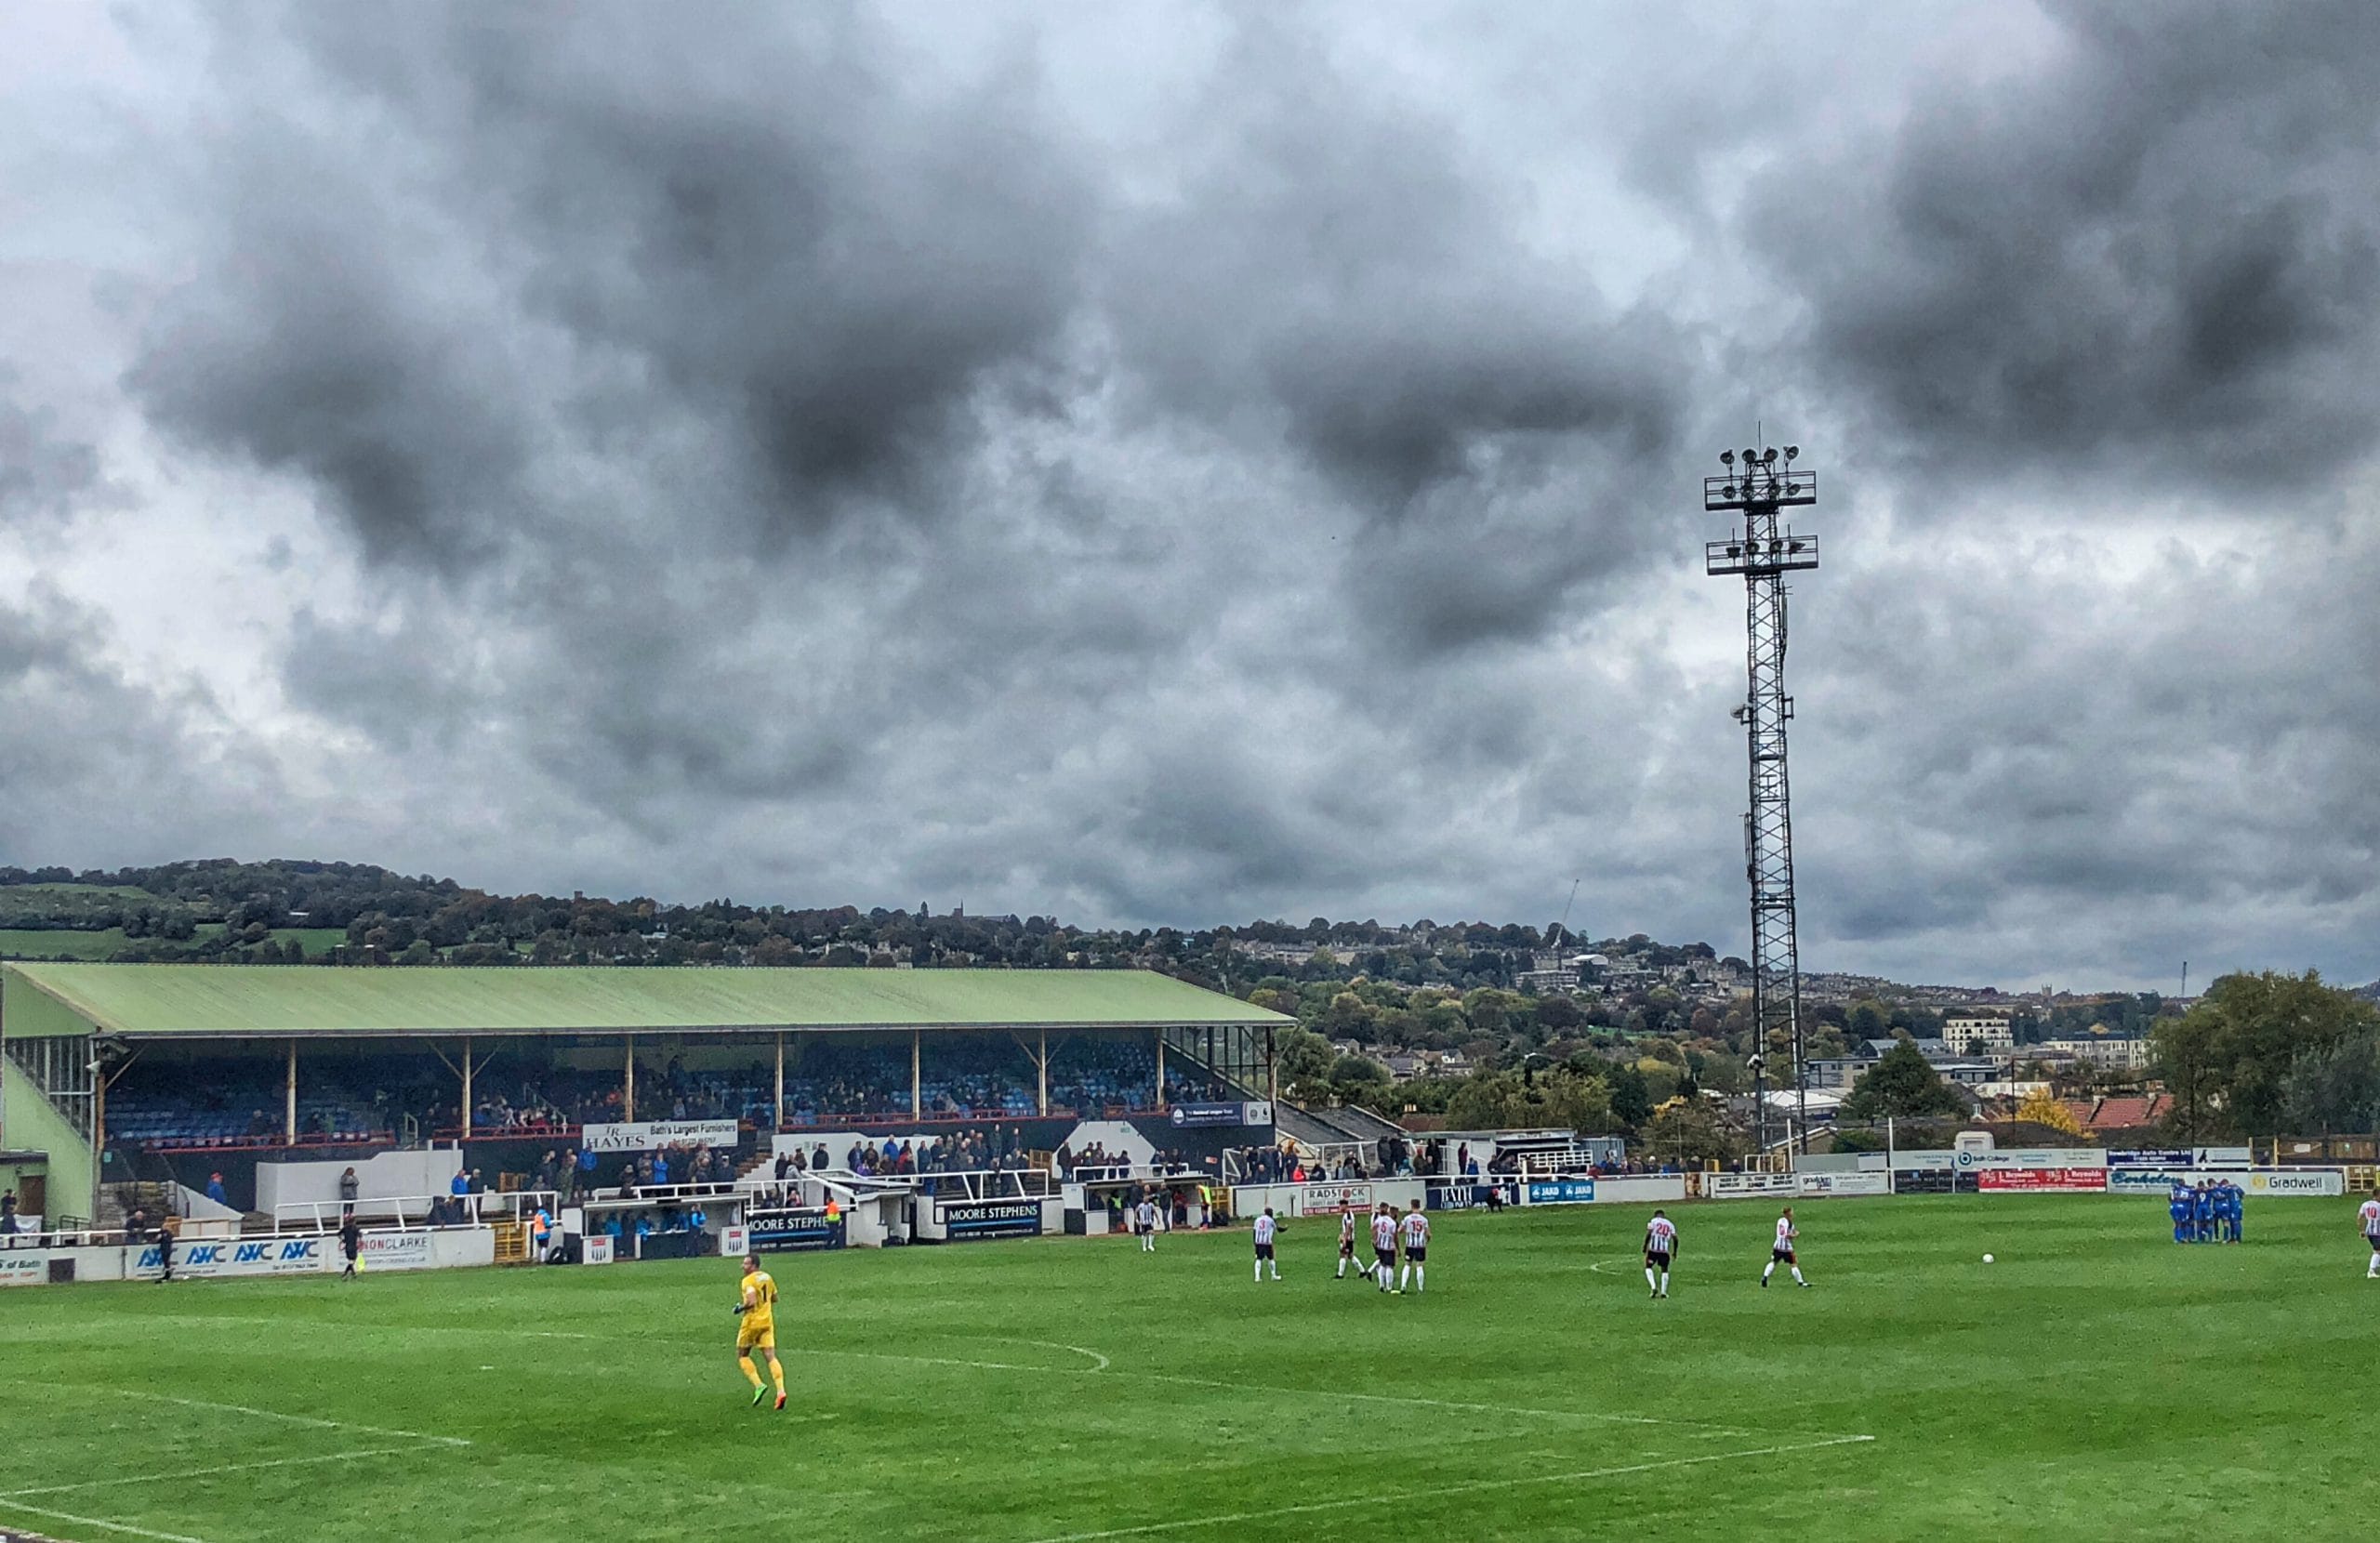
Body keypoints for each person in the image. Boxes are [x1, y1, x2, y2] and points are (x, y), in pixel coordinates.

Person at [733, 1255, 788, 1411]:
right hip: (767, 1322)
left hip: (752, 1322)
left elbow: (751, 1301)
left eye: (746, 1264)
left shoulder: (748, 1281)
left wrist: (740, 1308)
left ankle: (759, 1385)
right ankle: (781, 1391)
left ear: (754, 1265)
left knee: (742, 1355)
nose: (743, 1266)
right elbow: (775, 1298)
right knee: (771, 1357)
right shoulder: (767, 1277)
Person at [1761, 1207, 1807, 1287]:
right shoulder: (1789, 1223)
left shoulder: (1780, 1220)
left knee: (1773, 1262)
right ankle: (1801, 1282)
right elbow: (1787, 1236)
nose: (1792, 1213)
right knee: (1793, 1264)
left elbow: (1783, 1232)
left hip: (1777, 1246)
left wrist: (1793, 1232)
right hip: (1786, 1248)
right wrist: (1795, 1235)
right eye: (1791, 1212)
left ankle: (1765, 1277)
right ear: (1788, 1213)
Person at [1645, 1209, 1678, 1299]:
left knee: (1648, 1267)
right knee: (1664, 1270)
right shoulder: (1670, 1224)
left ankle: (1653, 1287)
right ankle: (1663, 1292)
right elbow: (1675, 1238)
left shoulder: (1653, 1221)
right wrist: (1675, 1251)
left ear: (1656, 1215)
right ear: (1663, 1215)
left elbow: (1649, 1233)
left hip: (1653, 1250)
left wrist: (1645, 1245)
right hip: (1664, 1250)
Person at [1397, 1201, 1430, 1294]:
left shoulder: (1407, 1218)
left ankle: (1403, 1286)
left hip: (1410, 1245)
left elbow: (1399, 1230)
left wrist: (1407, 1231)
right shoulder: (1424, 1220)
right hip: (1420, 1245)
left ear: (1411, 1206)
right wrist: (1427, 1240)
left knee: (1407, 1264)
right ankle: (1420, 1288)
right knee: (1419, 1266)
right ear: (1419, 1206)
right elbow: (1428, 1234)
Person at [1369, 1204, 1398, 1293]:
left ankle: (1381, 1285)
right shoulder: (1392, 1223)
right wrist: (1397, 1247)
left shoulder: (1380, 1219)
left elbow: (1372, 1228)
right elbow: (1395, 1236)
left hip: (1380, 1245)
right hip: (1389, 1246)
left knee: (1382, 1265)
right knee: (1389, 1266)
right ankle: (1389, 1287)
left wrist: (1375, 1238)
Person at [1252, 1207, 1280, 1283]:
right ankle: (1273, 1275)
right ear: (1270, 1213)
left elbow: (1254, 1231)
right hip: (1267, 1242)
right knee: (1271, 1258)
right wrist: (1285, 1228)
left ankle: (1257, 1277)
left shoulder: (1258, 1219)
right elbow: (1278, 1229)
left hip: (1258, 1242)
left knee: (1258, 1259)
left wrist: (1255, 1242)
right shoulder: (1270, 1220)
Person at [2360, 1194, 2380, 1278]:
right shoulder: (2378, 1206)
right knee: (2378, 1251)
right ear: (2378, 1196)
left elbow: (2360, 1217)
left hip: (2369, 1232)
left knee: (2377, 1249)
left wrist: (2361, 1230)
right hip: (2377, 1232)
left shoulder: (2365, 1204)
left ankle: (2377, 1262)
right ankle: (2371, 1271)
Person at [1336, 1210, 1359, 1281]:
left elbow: (1349, 1227)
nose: (1340, 1208)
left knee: (1343, 1254)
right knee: (1350, 1255)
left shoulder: (1348, 1215)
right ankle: (1362, 1271)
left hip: (1348, 1238)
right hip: (1348, 1238)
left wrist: (1345, 1239)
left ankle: (1340, 1274)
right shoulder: (1347, 1214)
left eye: (1340, 1206)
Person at [338, 1215, 363, 1280]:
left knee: (350, 1261)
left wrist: (343, 1240)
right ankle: (345, 1274)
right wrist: (360, 1243)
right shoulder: (355, 1228)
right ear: (354, 1221)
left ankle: (353, 1273)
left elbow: (338, 1234)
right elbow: (360, 1236)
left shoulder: (345, 1228)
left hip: (347, 1247)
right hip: (353, 1247)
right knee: (352, 1261)